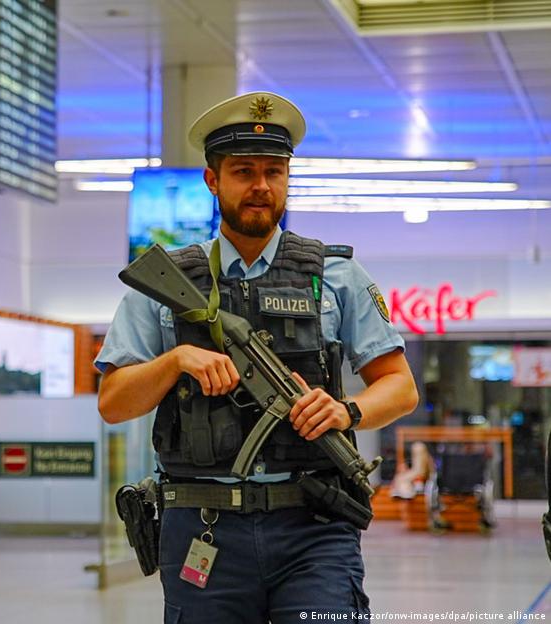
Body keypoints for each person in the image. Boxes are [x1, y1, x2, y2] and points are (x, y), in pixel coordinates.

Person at [96, 92, 419, 623]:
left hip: (314, 527)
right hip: (205, 527)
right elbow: (113, 401)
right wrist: (176, 359)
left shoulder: (334, 278)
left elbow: (400, 387)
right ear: (212, 180)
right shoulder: (166, 285)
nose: (261, 186)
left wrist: (347, 412)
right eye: (244, 171)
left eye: (274, 171)